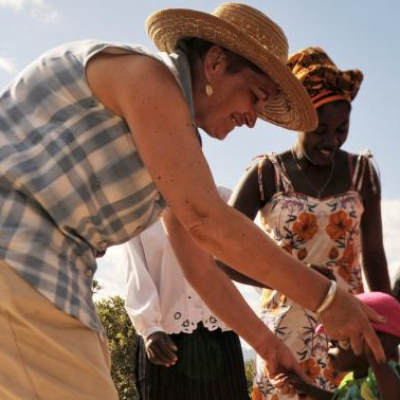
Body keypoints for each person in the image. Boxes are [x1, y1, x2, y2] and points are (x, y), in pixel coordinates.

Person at [0, 4, 386, 400]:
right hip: (20, 256)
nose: (253, 119)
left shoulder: (176, 142)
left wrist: (268, 347)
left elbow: (200, 266)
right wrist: (326, 299)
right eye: (255, 96)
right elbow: (208, 221)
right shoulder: (147, 76)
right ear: (215, 62)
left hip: (45, 274)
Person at [219, 47, 391, 400]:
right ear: (298, 121)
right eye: (321, 129)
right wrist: (295, 277)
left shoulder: (362, 173)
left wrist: (388, 335)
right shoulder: (265, 174)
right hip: (284, 335)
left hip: (349, 339)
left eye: (341, 129)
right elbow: (223, 255)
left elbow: (374, 256)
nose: (331, 141)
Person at [123, 186, 249, 400]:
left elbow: (249, 260)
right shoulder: (137, 209)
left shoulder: (225, 199)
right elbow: (135, 270)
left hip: (222, 335)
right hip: (163, 342)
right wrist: (149, 327)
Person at [283, 292, 400, 400]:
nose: (330, 346)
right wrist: (308, 389)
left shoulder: (387, 377)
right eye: (331, 341)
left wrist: (375, 356)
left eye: (340, 341)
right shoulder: (350, 380)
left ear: (376, 341)